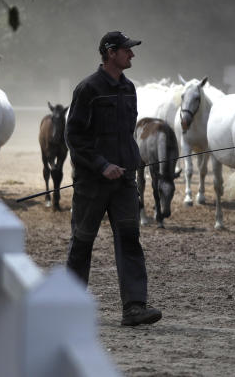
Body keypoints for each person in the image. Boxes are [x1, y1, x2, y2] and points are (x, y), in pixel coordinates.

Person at [65, 31, 162, 327]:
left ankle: (134, 308)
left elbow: (125, 135)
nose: (132, 55)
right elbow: (74, 136)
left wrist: (132, 162)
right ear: (110, 53)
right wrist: (101, 165)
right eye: (126, 50)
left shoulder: (129, 88)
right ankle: (69, 308)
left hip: (123, 182)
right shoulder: (88, 89)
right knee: (82, 242)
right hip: (92, 183)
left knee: (130, 238)